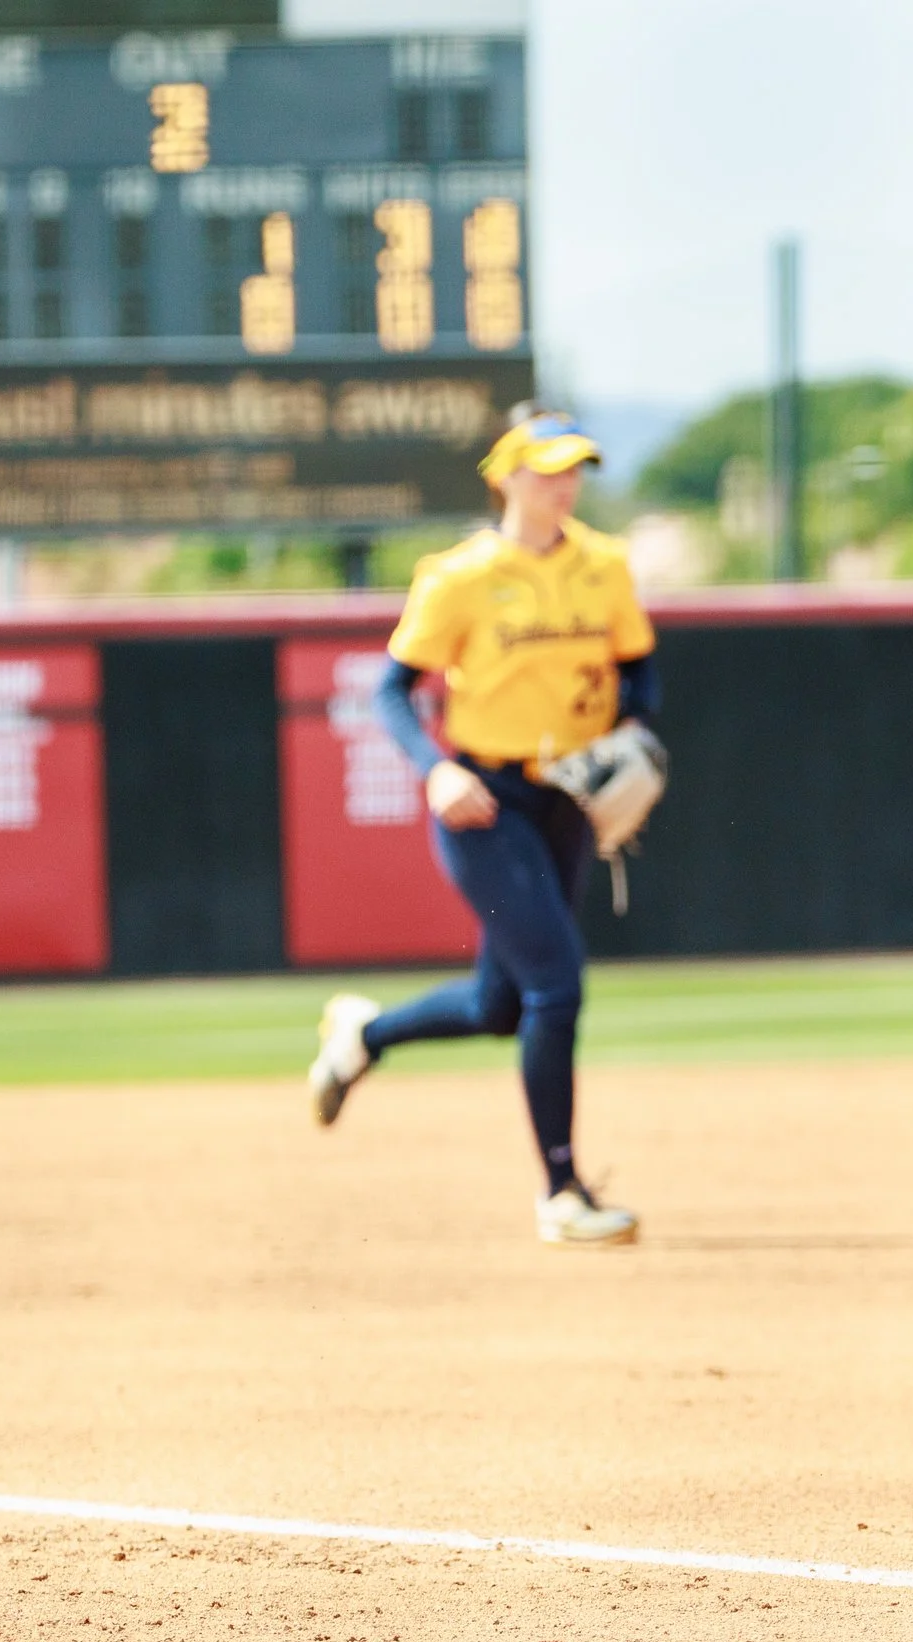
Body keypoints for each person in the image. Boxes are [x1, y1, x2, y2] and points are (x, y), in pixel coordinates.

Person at [304, 411, 657, 1246]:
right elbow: (391, 690)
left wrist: (636, 735)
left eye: (574, 469)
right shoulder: (458, 576)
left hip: (570, 796)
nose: (563, 485)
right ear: (505, 478)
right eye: (545, 470)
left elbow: (639, 671)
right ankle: (562, 1191)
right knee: (557, 985)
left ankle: (364, 1035)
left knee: (505, 1004)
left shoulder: (603, 565)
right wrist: (437, 769)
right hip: (485, 800)